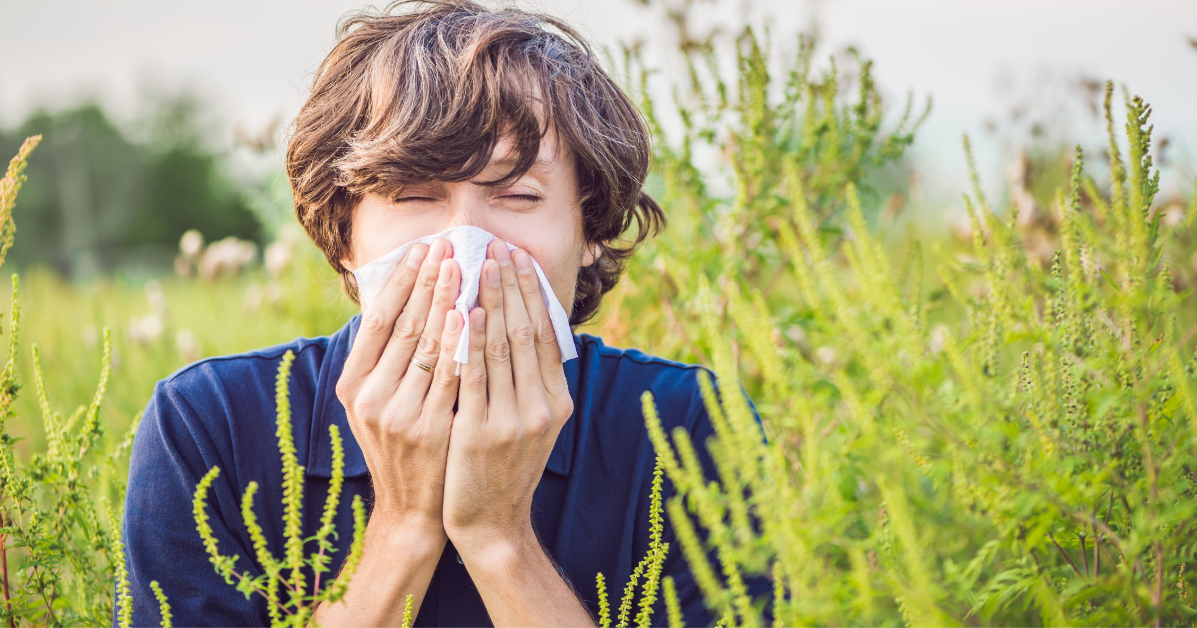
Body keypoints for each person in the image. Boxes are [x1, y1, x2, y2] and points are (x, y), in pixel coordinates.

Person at [118, 1, 773, 625]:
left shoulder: (688, 428)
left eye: (516, 194)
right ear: (345, 236)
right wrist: (404, 523)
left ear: (590, 227)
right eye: (413, 195)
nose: (465, 246)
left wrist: (498, 538)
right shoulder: (212, 428)